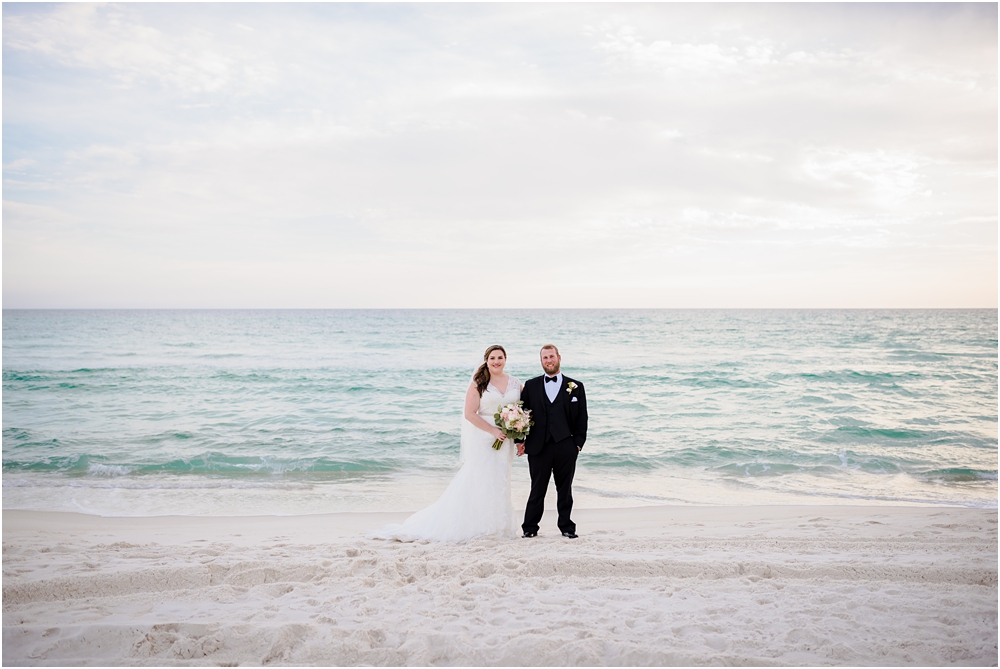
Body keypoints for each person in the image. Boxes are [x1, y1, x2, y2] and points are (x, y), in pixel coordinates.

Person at [368, 345, 520, 542]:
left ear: (506, 359)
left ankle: (498, 525)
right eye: (492, 358)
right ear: (486, 360)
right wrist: (492, 430)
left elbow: (521, 410)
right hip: (484, 438)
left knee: (500, 479)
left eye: (500, 357)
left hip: (505, 439)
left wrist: (518, 435)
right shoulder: (478, 383)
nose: (496, 361)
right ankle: (477, 525)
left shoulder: (515, 383)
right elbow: (469, 414)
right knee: (481, 478)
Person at [516, 344, 588, 539]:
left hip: (566, 445)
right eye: (545, 358)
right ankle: (530, 528)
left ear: (559, 357)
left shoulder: (576, 386)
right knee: (537, 489)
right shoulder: (531, 386)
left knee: (564, 490)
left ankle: (566, 527)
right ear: (541, 361)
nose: (549, 360)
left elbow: (582, 418)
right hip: (538, 446)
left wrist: (578, 444)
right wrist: (520, 441)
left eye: (551, 356)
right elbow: (521, 415)